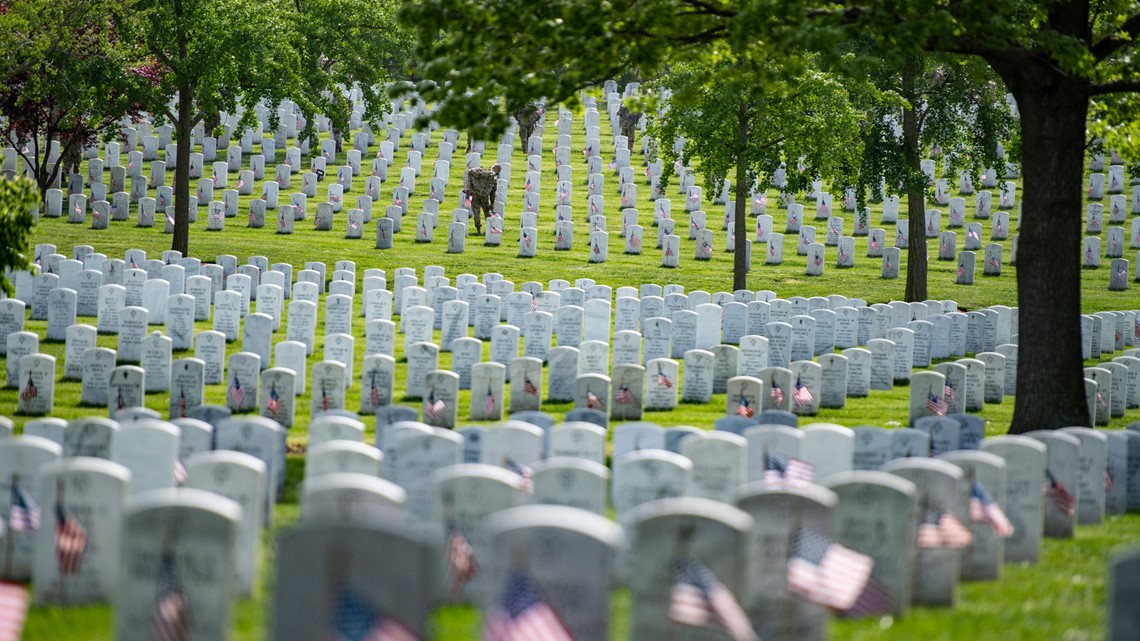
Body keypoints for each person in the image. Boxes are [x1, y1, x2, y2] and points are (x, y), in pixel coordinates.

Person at [465, 163, 500, 235]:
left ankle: (478, 230)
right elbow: (493, 192)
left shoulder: (479, 173)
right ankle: (490, 229)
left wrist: (469, 192)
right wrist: (492, 203)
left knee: (476, 213)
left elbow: (470, 183)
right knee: (487, 213)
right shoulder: (493, 178)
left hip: (475, 194)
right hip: (484, 196)